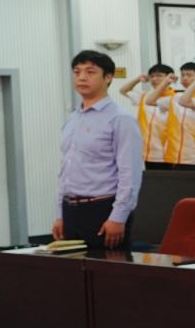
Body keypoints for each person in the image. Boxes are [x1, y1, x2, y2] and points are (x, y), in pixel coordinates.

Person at [55, 50, 144, 250]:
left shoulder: (121, 119)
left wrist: (119, 217)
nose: (82, 77)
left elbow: (130, 173)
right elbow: (65, 171)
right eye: (77, 72)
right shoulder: (73, 118)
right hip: (70, 209)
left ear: (108, 77)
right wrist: (59, 215)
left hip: (103, 209)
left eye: (90, 72)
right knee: (71, 267)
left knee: (107, 268)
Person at [119, 63, 174, 163]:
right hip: (143, 151)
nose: (154, 79)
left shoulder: (175, 99)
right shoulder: (144, 97)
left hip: (167, 152)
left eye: (159, 76)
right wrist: (138, 79)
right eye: (152, 76)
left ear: (170, 78)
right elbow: (123, 90)